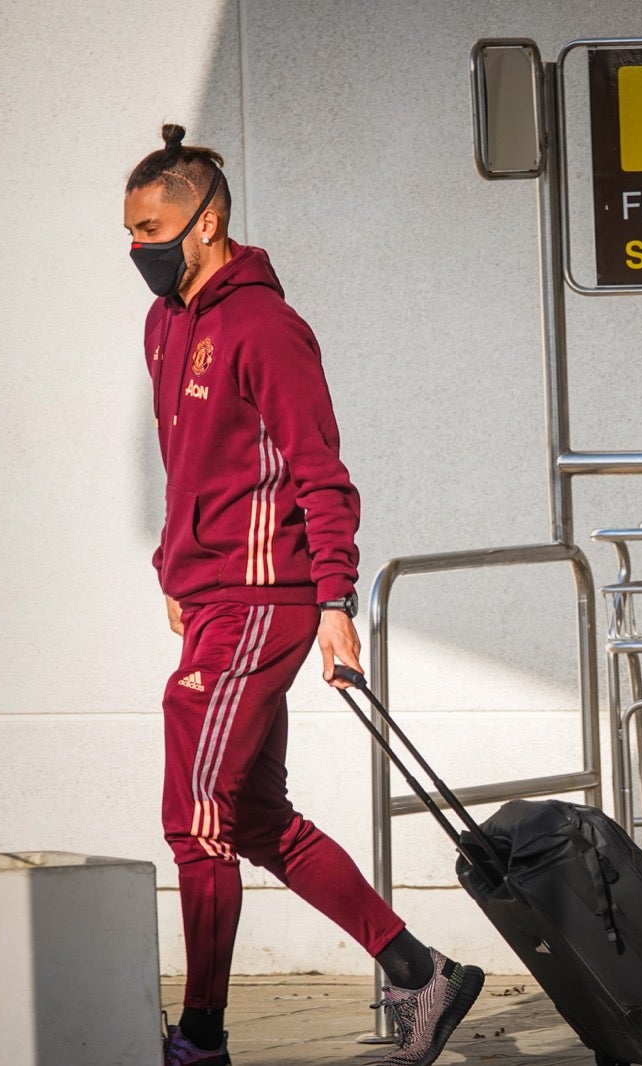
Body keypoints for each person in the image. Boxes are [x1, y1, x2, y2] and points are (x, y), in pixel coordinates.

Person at [124, 125, 483, 1066]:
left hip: (263, 600)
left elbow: (322, 474)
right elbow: (187, 466)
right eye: (127, 233)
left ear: (206, 222)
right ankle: (419, 970)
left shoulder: (266, 327)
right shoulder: (165, 323)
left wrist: (336, 604)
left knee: (193, 822)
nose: (138, 249)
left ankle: (200, 1036)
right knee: (247, 818)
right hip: (212, 601)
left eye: (153, 228)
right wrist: (174, 567)